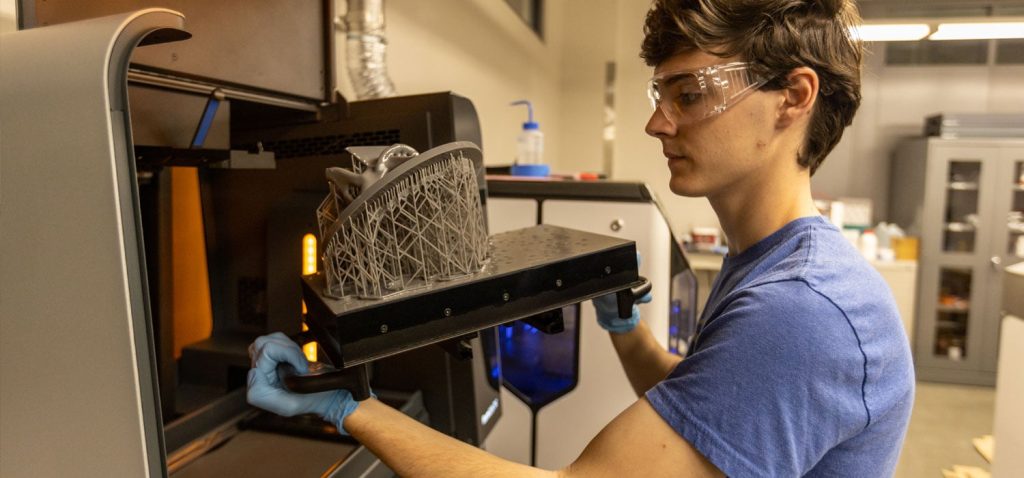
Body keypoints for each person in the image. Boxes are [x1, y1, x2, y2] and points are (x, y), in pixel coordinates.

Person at [247, 0, 915, 475]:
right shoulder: (773, 268)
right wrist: (629, 335)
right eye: (661, 93)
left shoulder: (800, 309)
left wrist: (348, 406)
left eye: (688, 94)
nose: (658, 123)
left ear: (794, 97)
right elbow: (711, 415)